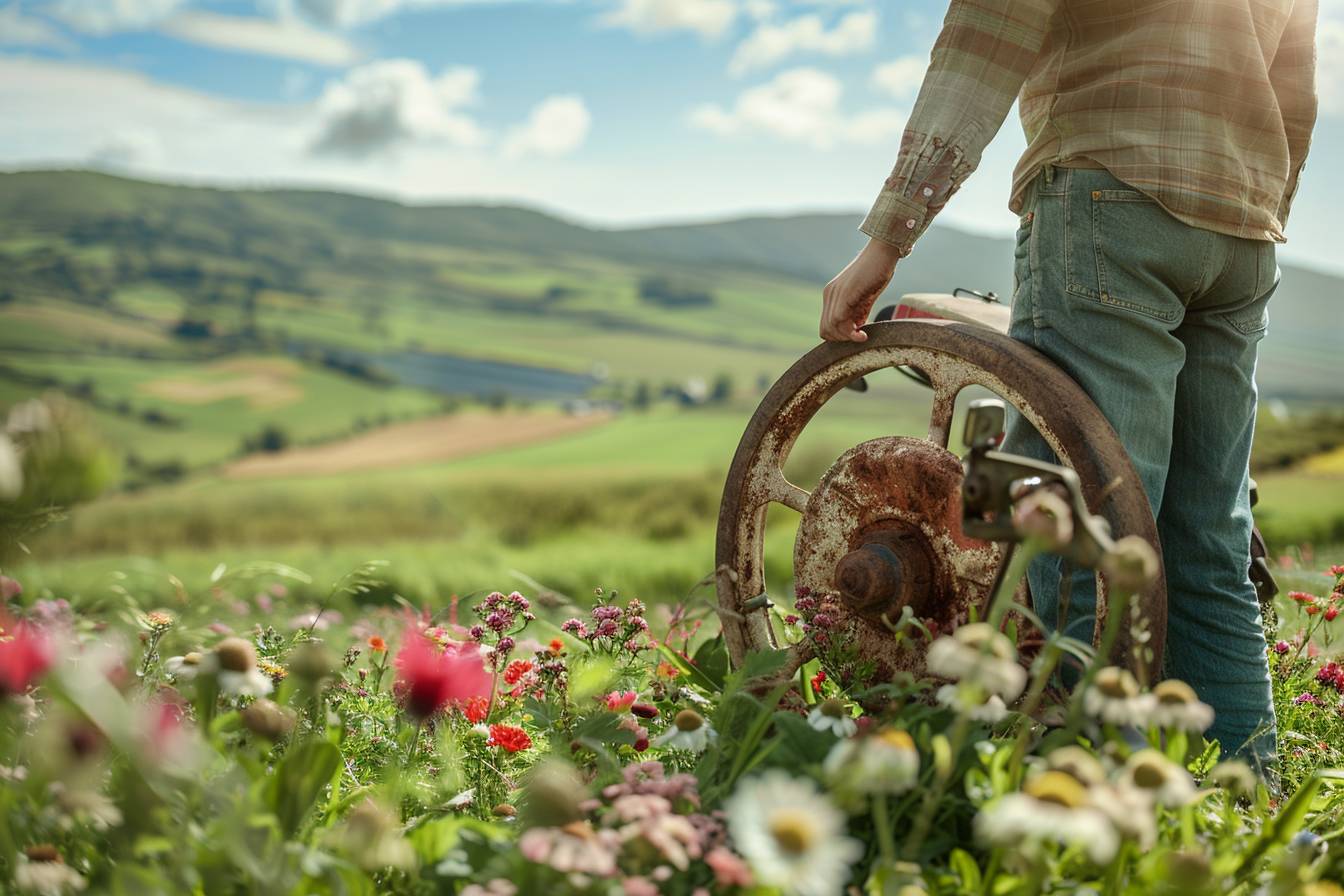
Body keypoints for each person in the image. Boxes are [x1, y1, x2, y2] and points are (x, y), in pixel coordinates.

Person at [819, 0, 1318, 763]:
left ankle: (1095, 796)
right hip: (1243, 232)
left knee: (1088, 529)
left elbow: (987, 37)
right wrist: (1256, 205)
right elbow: (1296, 86)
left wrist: (889, 238)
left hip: (1111, 197)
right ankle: (1247, 795)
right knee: (1212, 542)